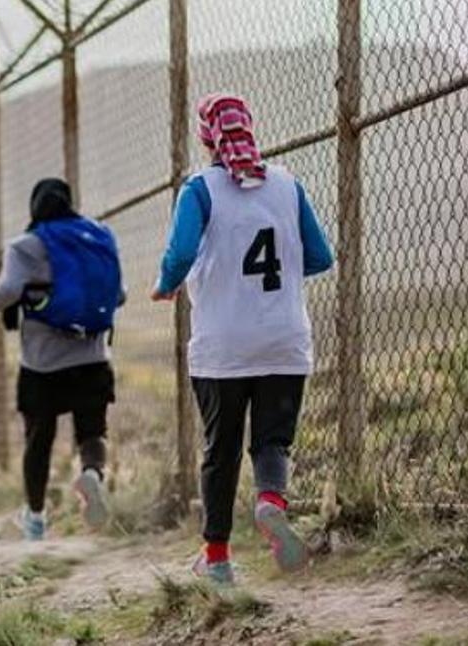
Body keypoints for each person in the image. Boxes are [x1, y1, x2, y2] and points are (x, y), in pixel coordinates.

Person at [151, 93, 334, 584]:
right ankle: (271, 501)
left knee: (222, 447)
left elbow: (181, 251)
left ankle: (217, 562)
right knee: (273, 440)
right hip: (284, 340)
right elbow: (321, 257)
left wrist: (167, 284)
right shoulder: (288, 186)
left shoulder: (200, 190)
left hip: (223, 348)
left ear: (207, 138)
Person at [0, 178, 125, 540]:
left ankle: (36, 519)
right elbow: (119, 295)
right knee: (93, 431)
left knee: (39, 437)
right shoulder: (100, 236)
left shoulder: (26, 245)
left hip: (43, 363)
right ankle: (91, 474)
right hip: (93, 356)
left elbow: (7, 291)